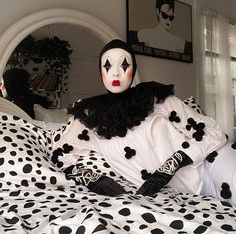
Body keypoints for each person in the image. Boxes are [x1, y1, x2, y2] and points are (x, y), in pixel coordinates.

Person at [51, 39, 236, 206]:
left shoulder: (153, 98)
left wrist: (170, 167)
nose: (115, 72)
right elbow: (60, 154)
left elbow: (212, 131)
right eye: (108, 65)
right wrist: (94, 180)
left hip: (210, 164)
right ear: (100, 71)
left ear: (134, 69)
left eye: (124, 65)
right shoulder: (89, 114)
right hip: (179, 196)